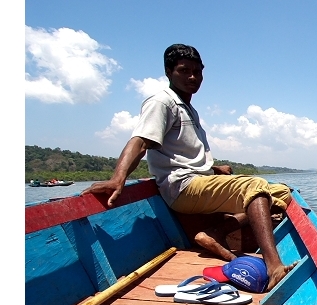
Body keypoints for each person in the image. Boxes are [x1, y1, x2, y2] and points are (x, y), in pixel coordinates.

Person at [82, 44, 296, 290]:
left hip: (198, 181)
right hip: (183, 188)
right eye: (185, 71)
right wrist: (117, 178)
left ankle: (217, 231)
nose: (193, 77)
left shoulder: (188, 108)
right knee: (255, 185)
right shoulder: (162, 102)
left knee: (280, 191)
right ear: (168, 71)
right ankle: (273, 267)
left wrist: (214, 169)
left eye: (197, 71)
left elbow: (179, 154)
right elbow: (140, 141)